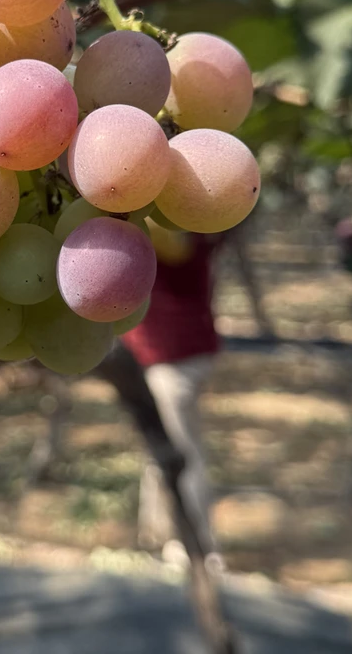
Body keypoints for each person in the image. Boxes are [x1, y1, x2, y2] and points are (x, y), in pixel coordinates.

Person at [120, 228, 223, 569]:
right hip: (173, 355)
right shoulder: (193, 223)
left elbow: (172, 248)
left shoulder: (168, 229)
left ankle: (195, 544)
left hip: (172, 360)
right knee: (161, 449)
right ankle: (158, 536)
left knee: (181, 451)